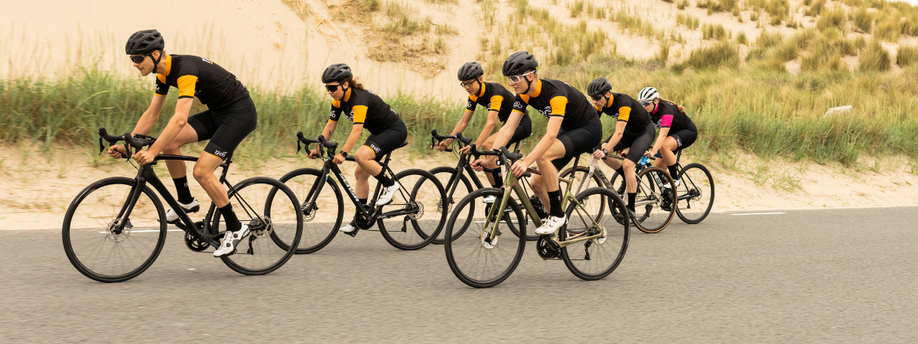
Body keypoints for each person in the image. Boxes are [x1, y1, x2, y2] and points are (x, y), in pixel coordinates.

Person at [110, 29, 258, 257]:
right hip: (219, 112)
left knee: (202, 171)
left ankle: (236, 228)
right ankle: (186, 202)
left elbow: (179, 119)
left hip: (240, 114)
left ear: (156, 54)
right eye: (132, 59)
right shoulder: (162, 73)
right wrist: (129, 145)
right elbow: (152, 114)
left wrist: (152, 151)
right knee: (170, 144)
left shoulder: (185, 71)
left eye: (138, 58)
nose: (134, 64)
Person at [472, 51, 602, 235]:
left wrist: (526, 162)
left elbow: (550, 135)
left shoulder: (556, 94)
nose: (511, 84)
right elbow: (507, 129)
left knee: (543, 157)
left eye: (515, 79)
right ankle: (558, 232)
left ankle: (557, 215)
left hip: (589, 129)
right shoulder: (524, 95)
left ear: (530, 75)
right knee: (537, 184)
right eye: (510, 79)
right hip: (569, 130)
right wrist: (490, 158)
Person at [310, 63, 406, 237]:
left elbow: (357, 130)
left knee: (361, 156)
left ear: (345, 84)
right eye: (327, 89)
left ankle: (391, 185)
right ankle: (361, 217)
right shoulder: (338, 101)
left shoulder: (359, 100)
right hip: (379, 133)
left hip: (394, 131)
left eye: (333, 88)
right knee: (360, 173)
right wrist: (318, 148)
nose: (330, 92)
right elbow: (331, 124)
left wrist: (343, 153)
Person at [436, 61, 532, 201]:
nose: (467, 87)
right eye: (464, 84)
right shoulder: (474, 96)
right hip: (508, 124)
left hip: (522, 124)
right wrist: (448, 142)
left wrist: (476, 145)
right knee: (488, 151)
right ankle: (497, 193)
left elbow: (490, 123)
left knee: (487, 146)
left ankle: (500, 195)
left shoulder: (495, 93)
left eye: (470, 83)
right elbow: (464, 121)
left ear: (480, 79)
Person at [587, 77, 655, 214]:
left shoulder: (623, 103)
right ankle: (627, 177)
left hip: (644, 132)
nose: (594, 101)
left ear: (607, 94)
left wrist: (606, 150)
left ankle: (631, 208)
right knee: (602, 152)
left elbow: (619, 132)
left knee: (628, 165)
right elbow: (590, 124)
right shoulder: (600, 104)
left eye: (597, 97)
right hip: (629, 133)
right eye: (592, 98)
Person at [637, 87, 698, 187]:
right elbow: (642, 131)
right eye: (641, 104)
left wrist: (653, 151)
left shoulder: (666, 110)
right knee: (658, 172)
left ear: (655, 101)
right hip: (672, 135)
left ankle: (675, 179)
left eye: (646, 103)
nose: (643, 106)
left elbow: (663, 135)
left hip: (687, 132)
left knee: (664, 146)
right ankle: (670, 198)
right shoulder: (647, 112)